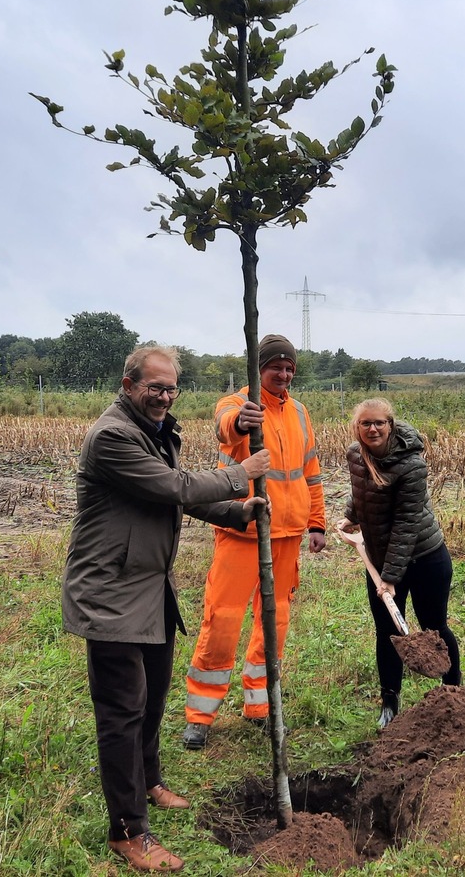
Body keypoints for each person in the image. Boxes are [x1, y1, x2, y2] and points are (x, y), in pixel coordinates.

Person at [62, 345, 270, 873]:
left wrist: (237, 510)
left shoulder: (156, 431)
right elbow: (170, 486)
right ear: (128, 383)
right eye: (155, 387)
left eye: (172, 387)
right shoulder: (112, 436)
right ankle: (127, 832)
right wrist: (239, 471)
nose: (164, 396)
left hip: (150, 587)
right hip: (110, 593)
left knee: (152, 699)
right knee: (121, 714)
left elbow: (182, 500)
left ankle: (150, 780)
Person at [182, 334, 326, 749]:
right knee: (223, 618)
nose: (283, 374)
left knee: (274, 620)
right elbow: (224, 428)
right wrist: (242, 420)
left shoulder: (299, 412)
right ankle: (200, 715)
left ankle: (260, 706)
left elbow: (310, 471)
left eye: (289, 368)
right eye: (275, 367)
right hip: (242, 528)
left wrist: (316, 522)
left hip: (288, 530)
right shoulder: (236, 404)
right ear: (259, 368)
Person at [337, 397, 461, 730]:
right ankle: (389, 702)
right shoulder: (356, 454)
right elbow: (362, 490)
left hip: (424, 558)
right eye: (366, 423)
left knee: (434, 627)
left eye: (379, 422)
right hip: (380, 559)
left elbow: (407, 523)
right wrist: (351, 517)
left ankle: (454, 694)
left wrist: (390, 578)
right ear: (357, 427)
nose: (373, 428)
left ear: (391, 425)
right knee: (388, 632)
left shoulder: (412, 465)